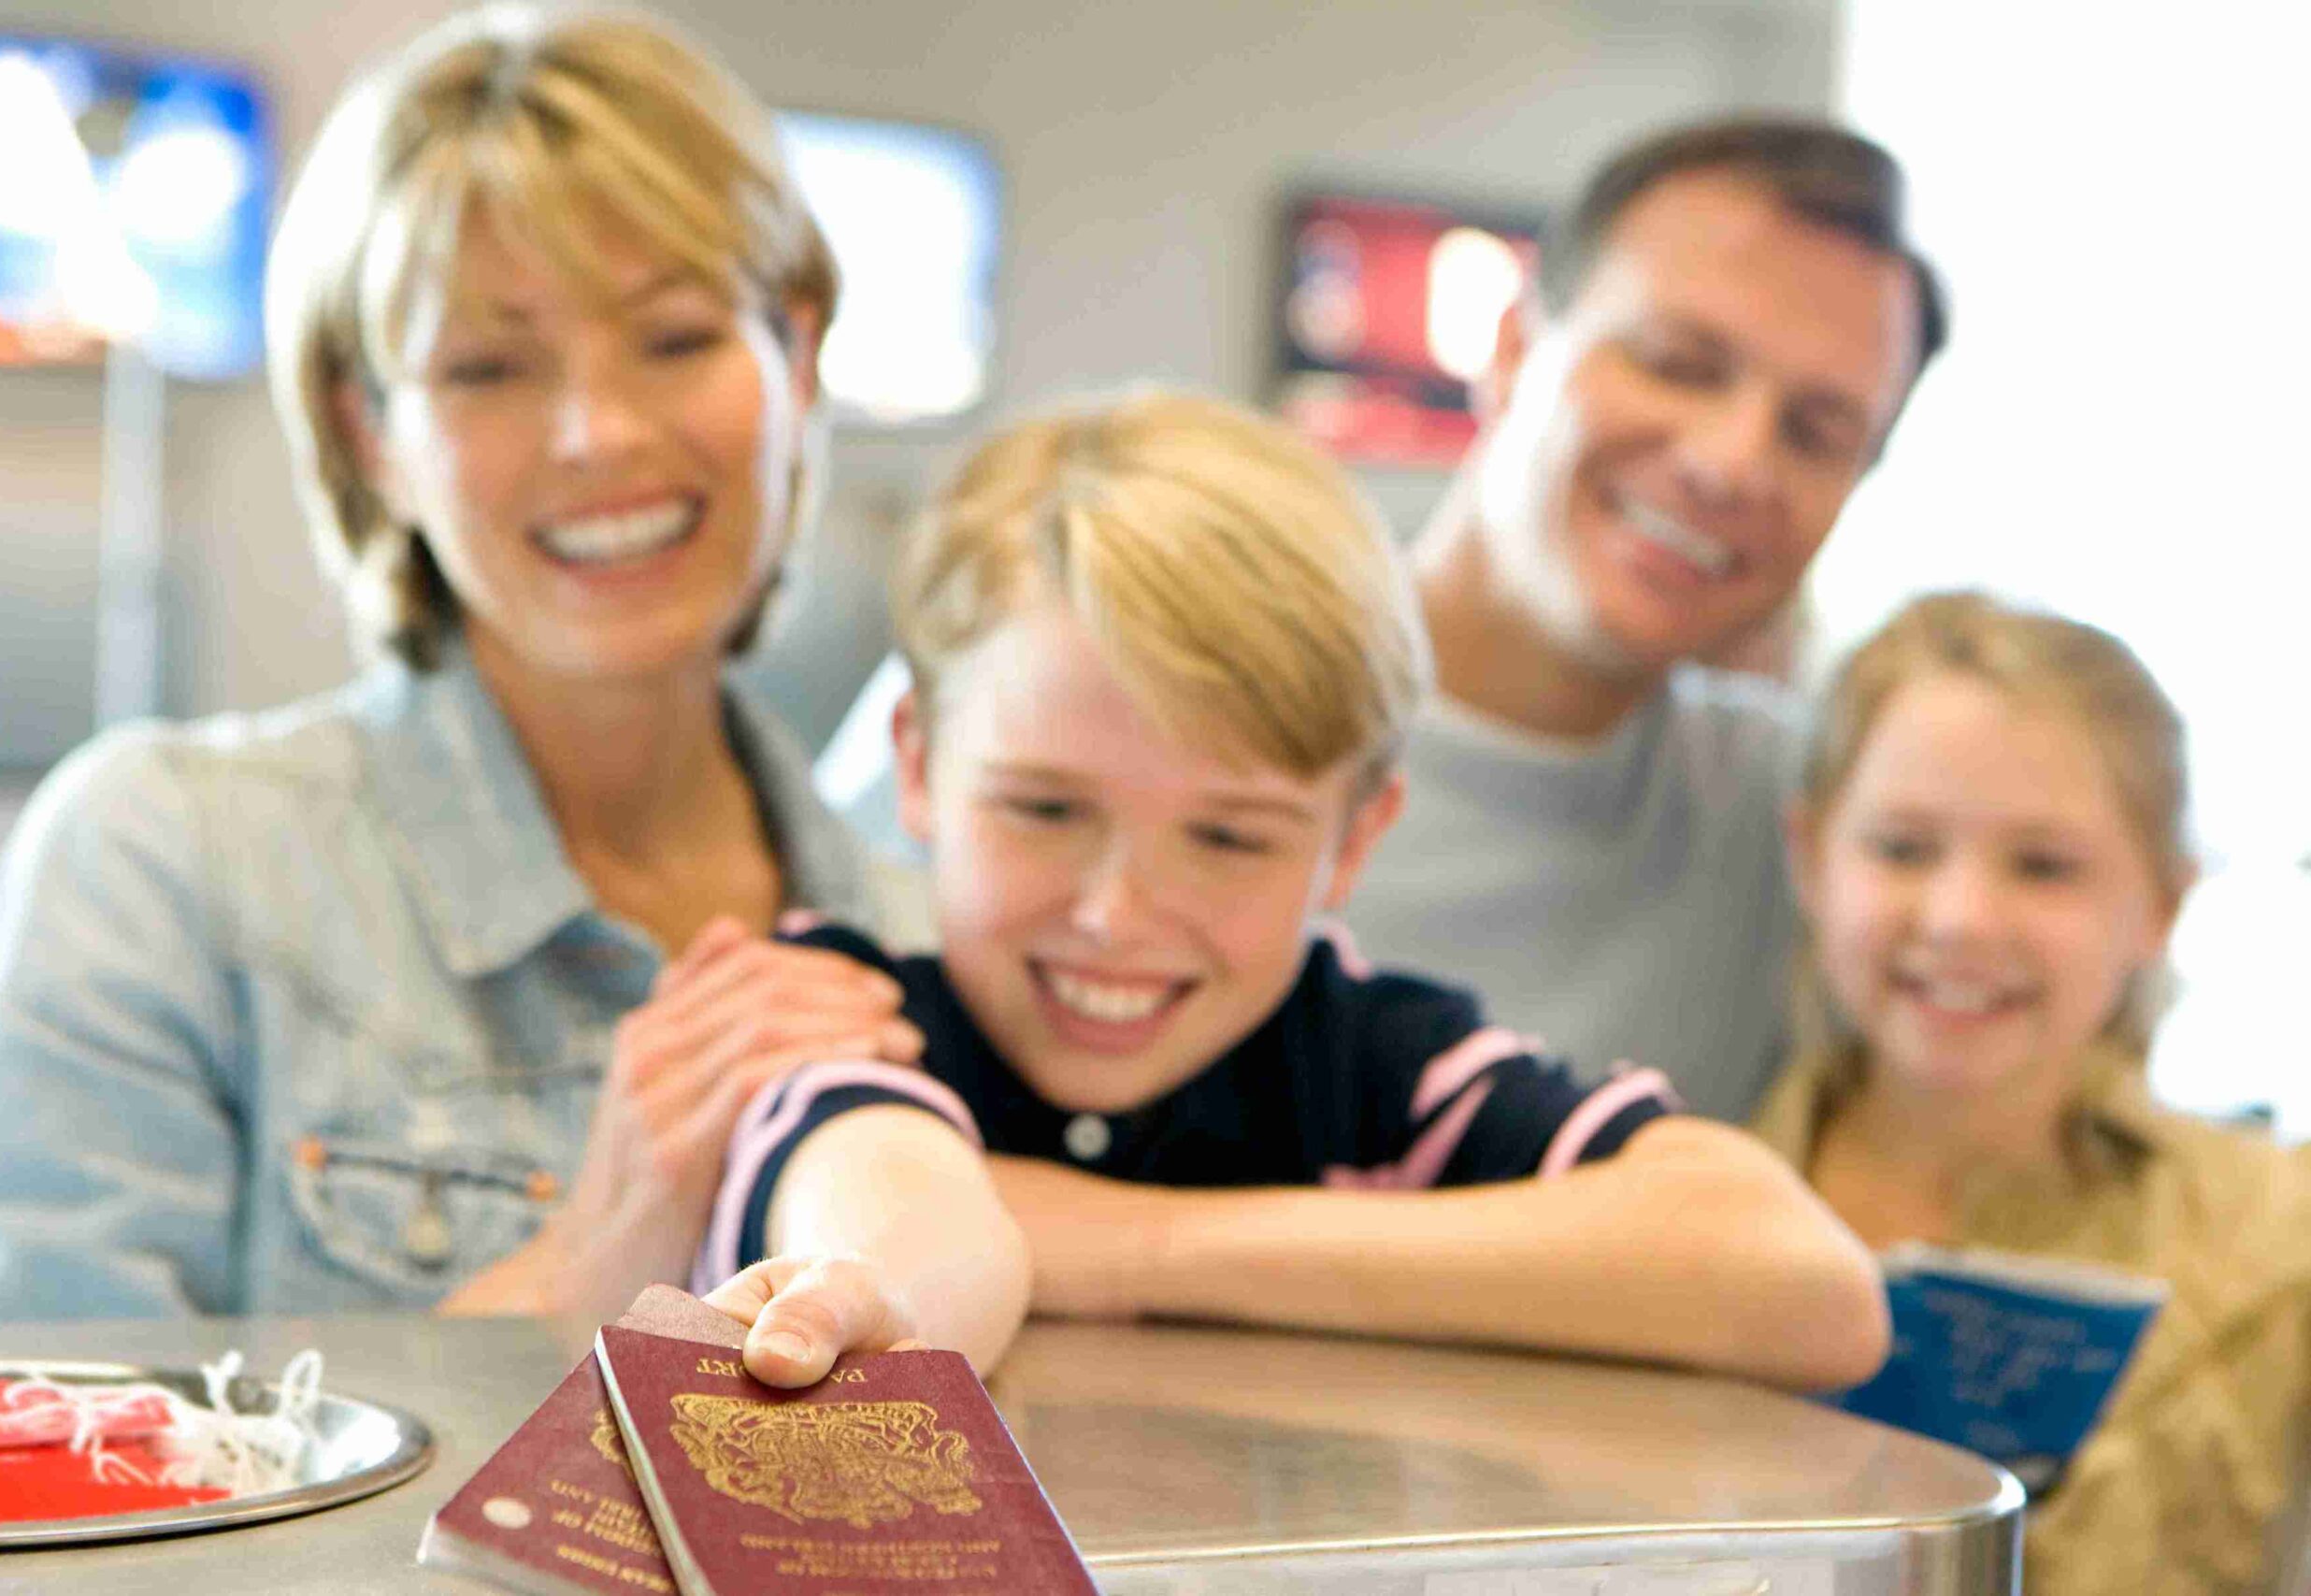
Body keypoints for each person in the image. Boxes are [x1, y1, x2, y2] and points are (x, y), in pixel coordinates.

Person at [0, 7, 927, 1327]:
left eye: (675, 337)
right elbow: (41, 1482)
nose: (598, 431)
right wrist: (588, 1262)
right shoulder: (167, 867)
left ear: (796, 356)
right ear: (370, 429)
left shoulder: (935, 933)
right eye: (489, 366)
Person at [687, 391, 1888, 1394]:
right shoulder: (848, 1006)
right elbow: (891, 1204)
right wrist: (885, 1299)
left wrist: (1124, 1243)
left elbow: (1805, 1287)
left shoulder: (1374, 1063)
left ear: (1355, 839)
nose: (1117, 913)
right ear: (915, 766)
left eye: (1227, 837)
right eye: (1045, 810)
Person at [1340, 117, 1951, 1125]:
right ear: (1514, 347)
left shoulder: (1822, 831)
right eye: (1678, 362)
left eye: (1816, 432)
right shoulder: (1179, 717)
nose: (1732, 462)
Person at [1750, 591, 2311, 1595]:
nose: (1961, 918)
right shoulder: (1680, 1229)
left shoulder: (2275, 1243)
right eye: (1902, 848)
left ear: (2159, 905)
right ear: (1809, 859)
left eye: (2044, 866)